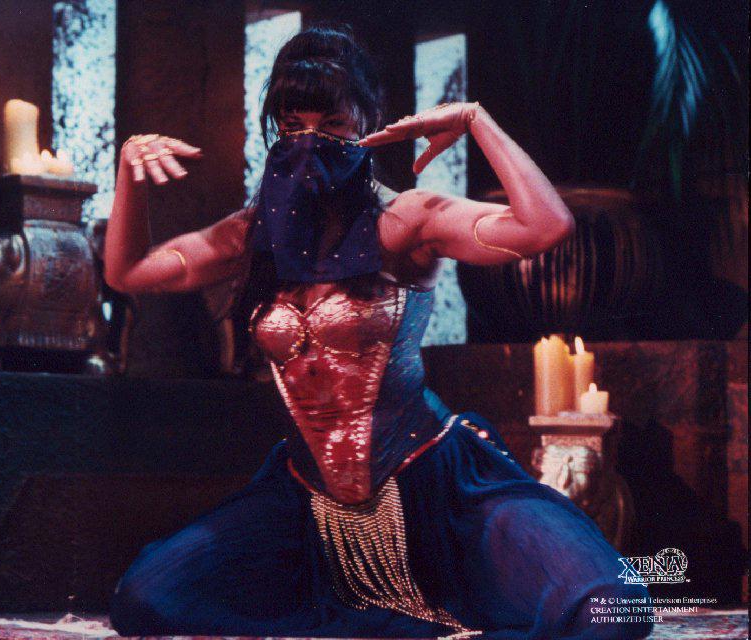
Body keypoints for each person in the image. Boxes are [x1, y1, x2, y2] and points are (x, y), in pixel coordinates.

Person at [104, 24, 653, 640]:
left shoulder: (408, 219)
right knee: (144, 599)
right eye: (293, 125)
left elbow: (547, 227)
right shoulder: (250, 235)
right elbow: (128, 273)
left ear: (368, 121)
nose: (310, 141)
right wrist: (129, 171)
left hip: (435, 485)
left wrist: (476, 121)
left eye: (333, 125)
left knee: (612, 610)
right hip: (307, 501)